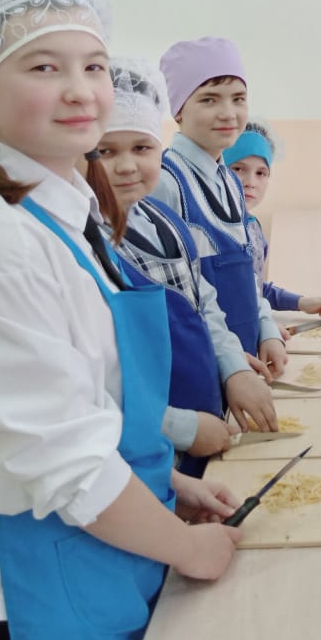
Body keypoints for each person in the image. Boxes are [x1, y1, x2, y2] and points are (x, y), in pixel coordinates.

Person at [0, 0, 240, 640]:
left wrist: (170, 485)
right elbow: (64, 465)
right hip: (25, 591)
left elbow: (84, 402)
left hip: (92, 550)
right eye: (43, 68)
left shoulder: (58, 208)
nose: (81, 91)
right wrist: (185, 546)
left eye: (93, 66)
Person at [95, 59, 278, 478]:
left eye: (142, 148)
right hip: (145, 444)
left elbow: (203, 302)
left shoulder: (163, 221)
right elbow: (99, 383)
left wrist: (232, 367)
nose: (127, 166)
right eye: (106, 151)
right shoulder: (90, 246)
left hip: (204, 408)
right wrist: (183, 429)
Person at [152, 37, 288, 383]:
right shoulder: (166, 183)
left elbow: (249, 274)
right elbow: (176, 298)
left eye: (238, 99)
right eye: (209, 99)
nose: (228, 113)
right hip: (202, 366)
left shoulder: (229, 181)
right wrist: (230, 362)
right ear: (178, 109)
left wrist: (266, 328)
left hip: (244, 363)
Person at [223, 123, 321, 318]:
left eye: (261, 173)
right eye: (238, 168)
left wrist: (300, 302)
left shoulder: (253, 229)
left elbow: (255, 289)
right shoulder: (213, 232)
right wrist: (263, 326)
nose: (251, 182)